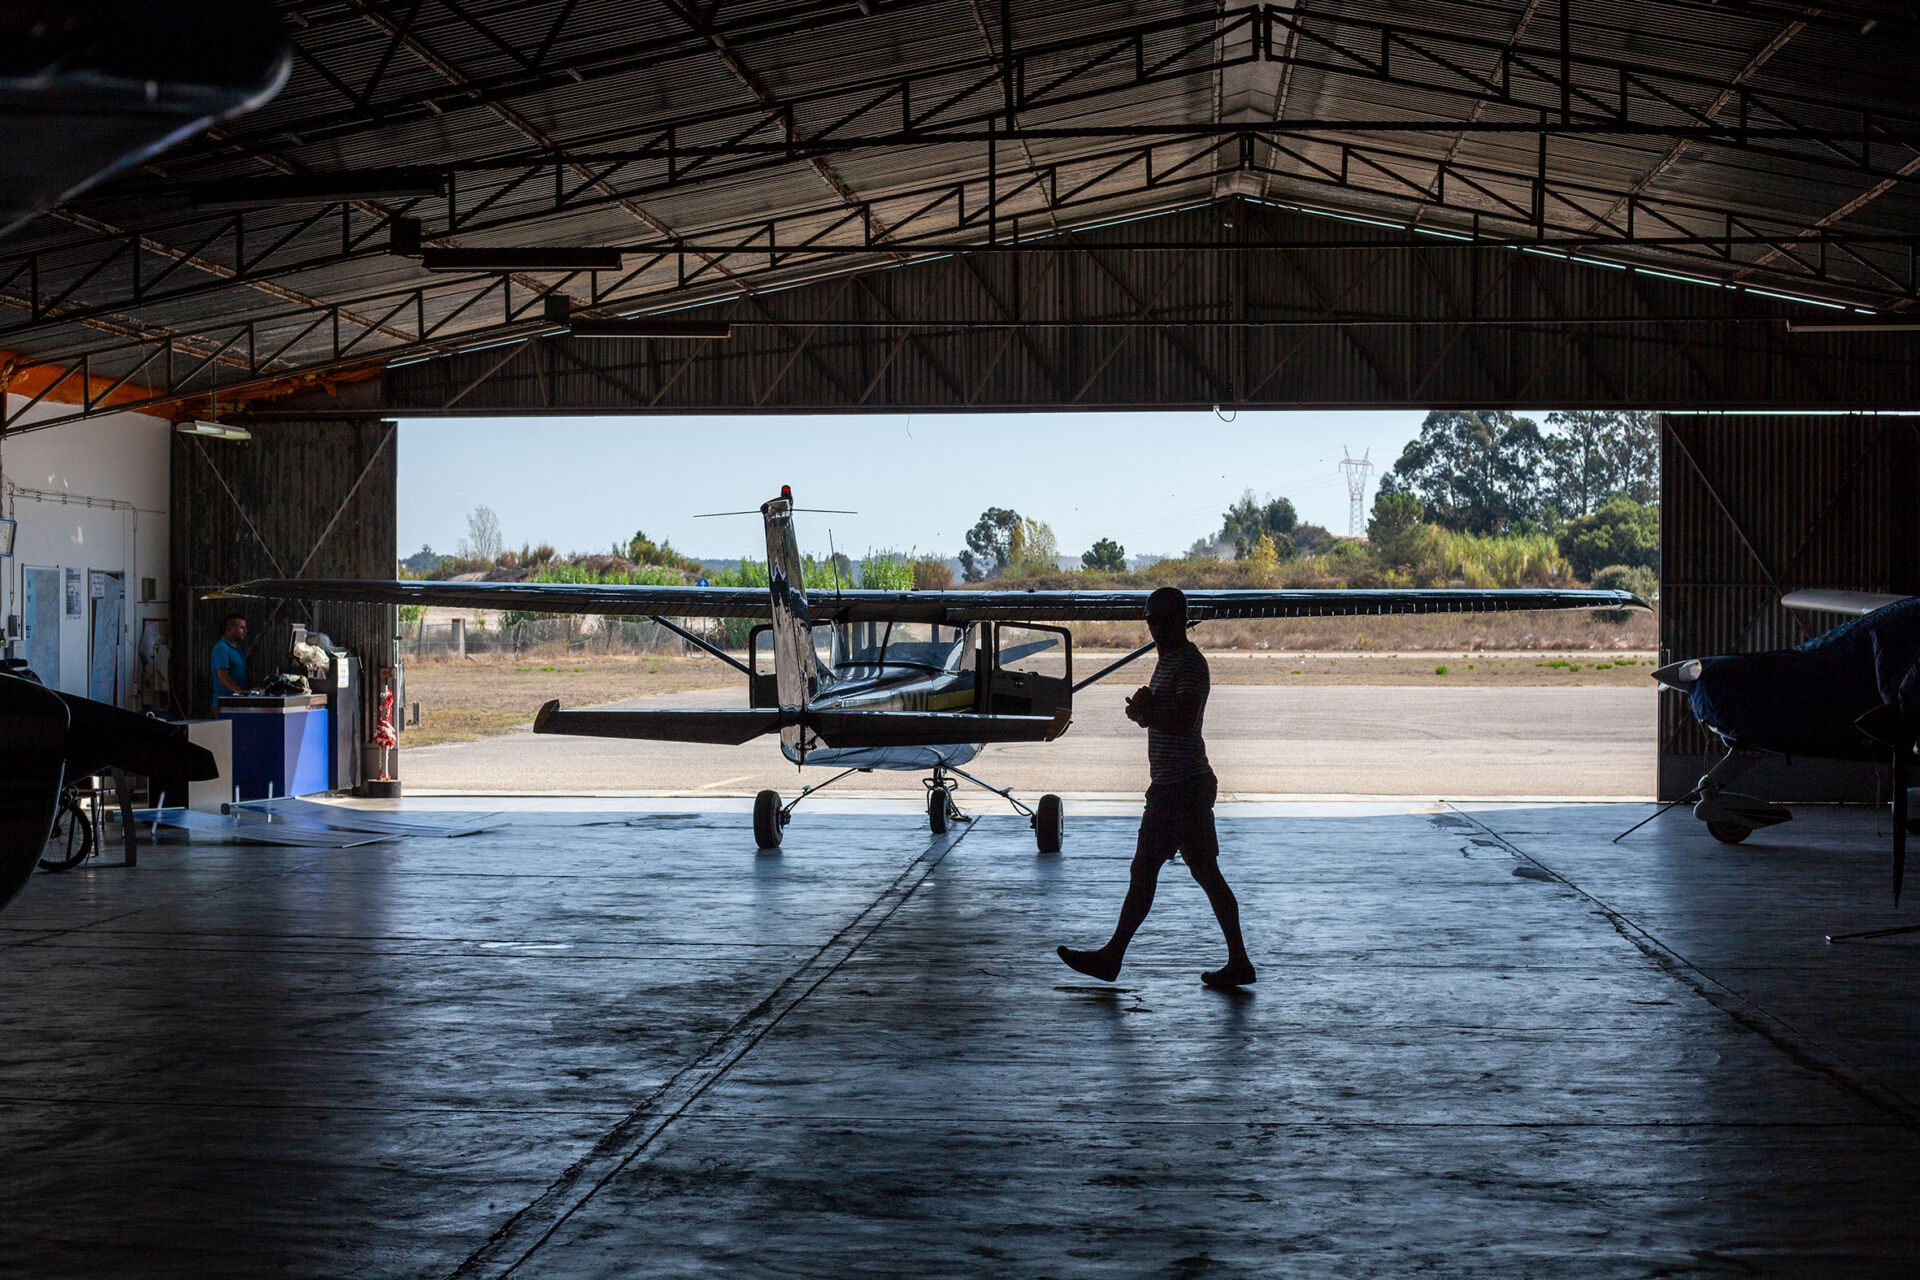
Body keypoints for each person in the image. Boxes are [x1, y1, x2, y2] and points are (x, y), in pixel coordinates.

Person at [1058, 586, 1255, 988]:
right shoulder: (1167, 662)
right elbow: (1170, 714)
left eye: (1166, 620)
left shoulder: (1189, 663)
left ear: (1184, 621)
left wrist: (1147, 713)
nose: (1159, 628)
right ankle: (1237, 961)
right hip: (1172, 786)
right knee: (1193, 874)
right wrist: (1146, 710)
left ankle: (1114, 957)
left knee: (1158, 872)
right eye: (1154, 621)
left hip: (1182, 789)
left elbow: (1183, 720)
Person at [210, 613, 249, 700]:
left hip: (237, 700)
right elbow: (223, 678)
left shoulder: (237, 647)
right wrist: (242, 693)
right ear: (229, 629)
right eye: (241, 628)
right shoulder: (221, 648)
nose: (245, 631)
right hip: (225, 702)